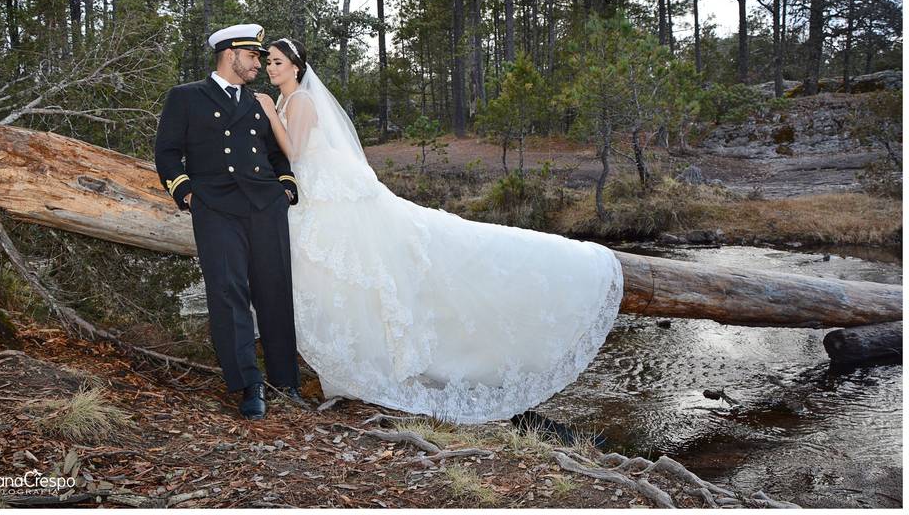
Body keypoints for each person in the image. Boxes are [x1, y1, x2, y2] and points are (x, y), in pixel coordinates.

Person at [255, 38, 624, 424]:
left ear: (296, 67)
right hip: (316, 192)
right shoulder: (287, 100)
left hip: (329, 192)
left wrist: (268, 111)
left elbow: (295, 151)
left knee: (376, 266)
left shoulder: (298, 101)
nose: (271, 68)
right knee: (345, 279)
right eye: (269, 63)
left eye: (278, 62)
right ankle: (349, 362)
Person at [154, 24, 303, 421]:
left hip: (265, 205)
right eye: (253, 56)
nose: (259, 64)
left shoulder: (257, 102)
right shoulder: (187, 97)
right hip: (217, 207)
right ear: (229, 54)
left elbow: (276, 152)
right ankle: (248, 384)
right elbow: (166, 153)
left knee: (275, 290)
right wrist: (185, 192)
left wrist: (285, 184)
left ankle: (286, 381)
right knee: (229, 293)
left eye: (260, 57)